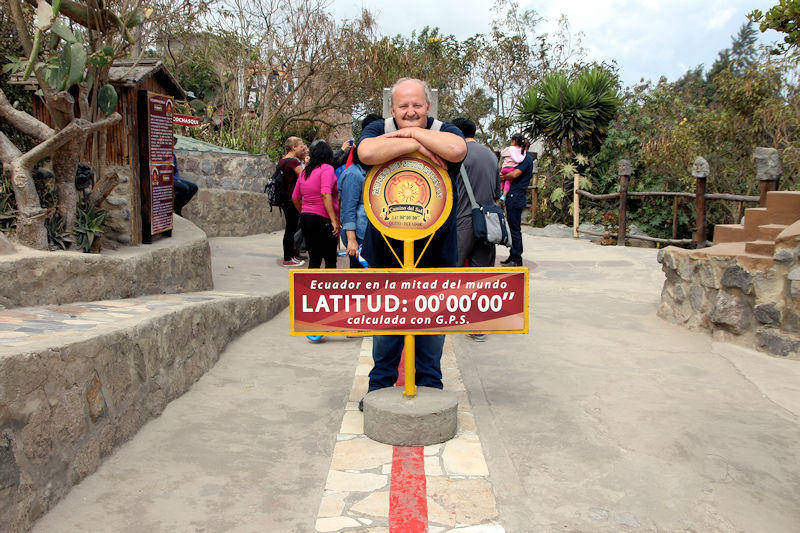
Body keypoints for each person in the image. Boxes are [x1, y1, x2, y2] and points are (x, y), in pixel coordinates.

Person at [356, 78, 467, 402]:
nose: (410, 111)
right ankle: (379, 389)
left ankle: (431, 389)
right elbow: (367, 151)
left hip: (436, 250)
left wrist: (412, 135)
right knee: (387, 326)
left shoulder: (447, 129)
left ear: (428, 106)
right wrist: (419, 146)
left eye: (417, 105)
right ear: (392, 107)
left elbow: (457, 150)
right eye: (403, 106)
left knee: (431, 327)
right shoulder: (378, 127)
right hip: (387, 250)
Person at [451, 117, 499, 343]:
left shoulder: (457, 153)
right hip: (488, 221)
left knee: (452, 271)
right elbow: (497, 192)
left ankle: (447, 318)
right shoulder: (490, 154)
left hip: (463, 220)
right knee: (481, 274)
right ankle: (478, 326)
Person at [339, 113, 383, 268]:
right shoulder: (353, 174)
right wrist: (351, 240)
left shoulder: (373, 173)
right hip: (359, 236)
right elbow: (348, 209)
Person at [291, 140, 340, 269]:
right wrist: (334, 220)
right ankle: (329, 288)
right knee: (330, 259)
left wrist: (305, 211)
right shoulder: (327, 169)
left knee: (314, 258)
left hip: (307, 219)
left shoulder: (305, 172)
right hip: (323, 219)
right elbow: (325, 194)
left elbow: (295, 198)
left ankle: (312, 288)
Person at [500, 133, 534, 267]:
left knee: (515, 228)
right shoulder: (518, 158)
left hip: (517, 194)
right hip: (512, 195)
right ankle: (512, 254)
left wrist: (503, 177)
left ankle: (517, 258)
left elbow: (515, 174)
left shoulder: (526, 159)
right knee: (512, 226)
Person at [278, 137, 306, 267]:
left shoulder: (282, 161)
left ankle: (293, 254)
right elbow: (304, 177)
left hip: (285, 199)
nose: (303, 148)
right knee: (291, 228)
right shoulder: (293, 162)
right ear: (294, 147)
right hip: (292, 199)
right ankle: (288, 258)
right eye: (301, 146)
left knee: (291, 227)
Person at [172, 137, 198, 216]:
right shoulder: (164, 153)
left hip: (174, 178)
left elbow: (175, 170)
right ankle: (176, 209)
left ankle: (178, 206)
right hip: (167, 179)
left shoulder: (172, 155)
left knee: (193, 187)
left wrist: (178, 179)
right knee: (184, 188)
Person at [498, 138, 526, 203]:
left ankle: (500, 192)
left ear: (514, 141)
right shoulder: (520, 151)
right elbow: (520, 159)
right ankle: (503, 196)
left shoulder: (510, 149)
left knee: (501, 180)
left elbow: (502, 153)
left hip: (505, 168)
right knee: (508, 182)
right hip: (511, 169)